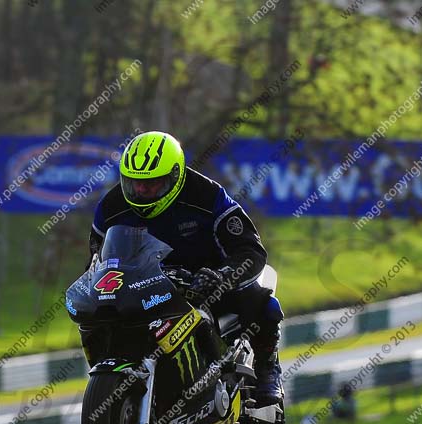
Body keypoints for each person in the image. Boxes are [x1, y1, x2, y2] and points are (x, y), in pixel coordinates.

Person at [87, 131, 283, 405]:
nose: (141, 191)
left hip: (207, 282)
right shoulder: (111, 206)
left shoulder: (207, 195)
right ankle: (113, 371)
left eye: (152, 184)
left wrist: (221, 277)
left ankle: (267, 368)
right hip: (146, 286)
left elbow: (250, 251)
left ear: (175, 175)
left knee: (261, 298)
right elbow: (97, 258)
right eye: (134, 183)